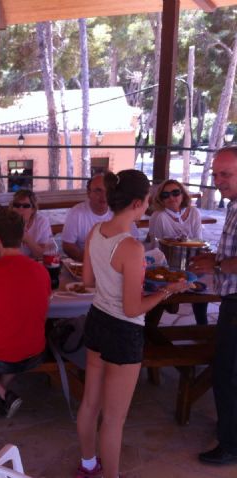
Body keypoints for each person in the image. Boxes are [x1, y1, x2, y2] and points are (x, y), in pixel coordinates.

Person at [75, 170, 188, 478]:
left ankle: (88, 465)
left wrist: (117, 281)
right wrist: (167, 290)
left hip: (97, 319)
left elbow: (88, 281)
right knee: (114, 419)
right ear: (137, 203)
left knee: (90, 404)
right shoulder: (131, 247)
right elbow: (132, 307)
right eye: (148, 201)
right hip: (123, 332)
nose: (149, 206)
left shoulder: (96, 230)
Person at [0, 210, 51, 419]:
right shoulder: (42, 271)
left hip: (2, 357)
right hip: (36, 351)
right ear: (23, 236)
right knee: (17, 337)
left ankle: (3, 393)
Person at [189, 146, 237, 466]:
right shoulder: (233, 205)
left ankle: (231, 444)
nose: (218, 180)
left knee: (227, 373)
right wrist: (215, 260)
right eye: (215, 174)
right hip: (230, 299)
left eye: (226, 174)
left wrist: (216, 264)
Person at [148, 179, 207, 325]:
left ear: (182, 194)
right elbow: (158, 247)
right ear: (160, 199)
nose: (171, 197)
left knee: (202, 289)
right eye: (165, 195)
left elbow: (198, 241)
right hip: (167, 265)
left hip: (191, 261)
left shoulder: (193, 212)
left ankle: (202, 325)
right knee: (160, 296)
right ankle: (150, 328)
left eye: (175, 193)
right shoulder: (159, 216)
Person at [62, 174, 139, 262]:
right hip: (86, 262)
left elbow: (134, 241)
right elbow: (67, 245)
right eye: (98, 191)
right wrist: (91, 261)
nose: (104, 196)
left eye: (109, 191)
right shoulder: (76, 213)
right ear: (89, 193)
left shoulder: (122, 211)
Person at [8, 189, 52, 259]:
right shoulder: (4, 222)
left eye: (26, 206)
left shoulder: (41, 222)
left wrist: (27, 238)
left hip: (33, 263)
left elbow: (43, 255)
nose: (20, 208)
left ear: (33, 209)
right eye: (17, 205)